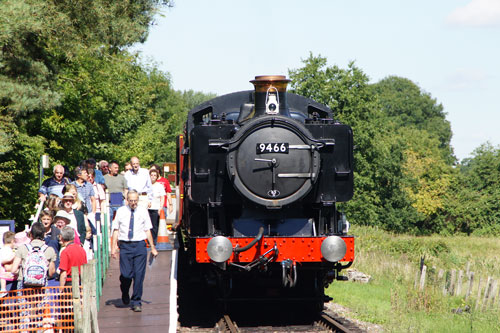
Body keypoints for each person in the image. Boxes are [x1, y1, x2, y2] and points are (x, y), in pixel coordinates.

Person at [111, 190, 158, 312]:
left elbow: (147, 230)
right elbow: (116, 230)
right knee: (126, 274)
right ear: (127, 200)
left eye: (135, 200)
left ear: (138, 200)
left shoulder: (143, 211)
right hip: (125, 246)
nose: (133, 203)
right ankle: (125, 291)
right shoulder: (121, 211)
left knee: (139, 275)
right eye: (131, 201)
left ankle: (137, 301)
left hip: (140, 246)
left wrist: (152, 247)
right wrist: (113, 248)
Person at [11, 223, 57, 288]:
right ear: (44, 234)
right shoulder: (49, 250)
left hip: (24, 285)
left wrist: (23, 272)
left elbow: (13, 270)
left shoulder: (22, 248)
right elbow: (51, 273)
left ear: (31, 234)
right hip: (41, 284)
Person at [148, 169, 166, 245]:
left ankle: (153, 241)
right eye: (151, 175)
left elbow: (162, 197)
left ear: (157, 177)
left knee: (154, 226)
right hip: (147, 208)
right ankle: (148, 240)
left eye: (155, 175)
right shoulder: (146, 185)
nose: (153, 177)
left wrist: (160, 207)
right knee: (147, 225)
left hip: (155, 208)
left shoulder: (160, 186)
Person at [0, 231, 16, 296]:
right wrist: (14, 256)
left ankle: (3, 289)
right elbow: (6, 260)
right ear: (12, 241)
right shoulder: (8, 250)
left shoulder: (2, 249)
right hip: (5, 271)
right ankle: (3, 289)